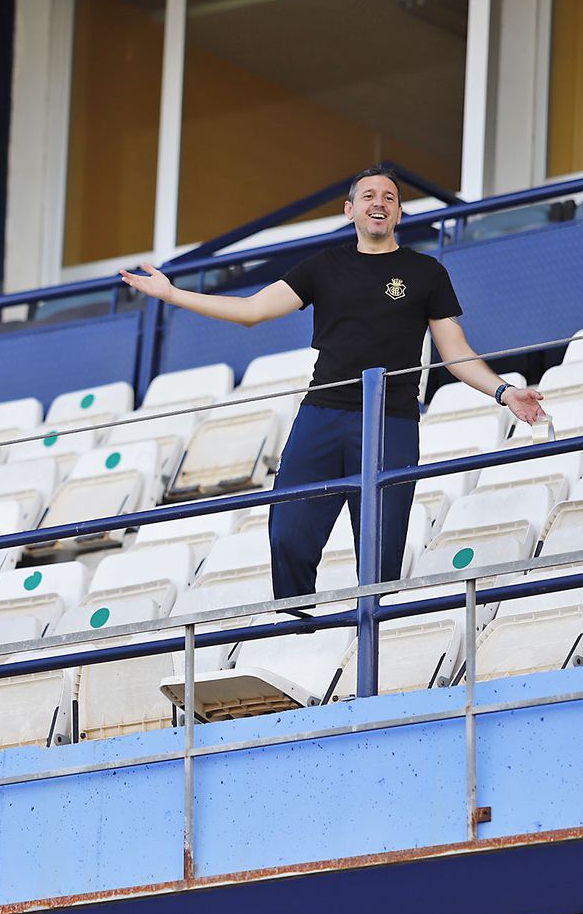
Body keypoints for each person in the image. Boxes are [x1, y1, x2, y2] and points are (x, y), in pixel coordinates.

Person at [119, 166, 546, 600]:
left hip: (391, 421)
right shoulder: (323, 266)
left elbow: (454, 351)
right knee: (288, 534)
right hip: (322, 414)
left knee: (380, 555)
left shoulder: (425, 272)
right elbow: (252, 311)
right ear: (349, 210)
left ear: (399, 213)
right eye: (368, 196)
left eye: (389, 197)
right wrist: (172, 295)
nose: (378, 202)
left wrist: (504, 391)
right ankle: (297, 621)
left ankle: (369, 631)